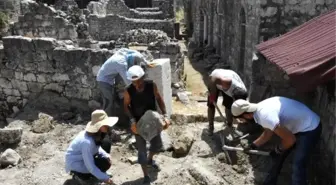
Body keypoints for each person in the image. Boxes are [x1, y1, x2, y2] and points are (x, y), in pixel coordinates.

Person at [231, 96, 322, 185]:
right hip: (299, 124)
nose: (241, 122)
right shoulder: (259, 110)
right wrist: (253, 145)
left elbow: (290, 139)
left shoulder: (265, 116)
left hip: (310, 127)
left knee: (298, 166)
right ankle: (270, 182)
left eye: (240, 119)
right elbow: (268, 132)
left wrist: (278, 149)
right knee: (279, 156)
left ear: (247, 114)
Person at [123, 65, 170, 184]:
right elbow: (126, 107)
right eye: (133, 82)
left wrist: (165, 116)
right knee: (142, 149)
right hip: (138, 123)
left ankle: (150, 160)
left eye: (138, 81)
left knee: (157, 145)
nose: (136, 84)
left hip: (153, 120)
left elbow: (159, 99)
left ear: (143, 77)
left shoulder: (151, 85)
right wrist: (132, 121)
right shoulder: (129, 90)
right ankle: (146, 176)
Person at [65, 110, 119, 184]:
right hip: (76, 163)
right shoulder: (86, 142)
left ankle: (98, 174)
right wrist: (105, 179)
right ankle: (81, 177)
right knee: (103, 163)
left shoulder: (96, 134)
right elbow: (90, 166)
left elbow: (96, 148)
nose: (108, 126)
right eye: (105, 124)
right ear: (98, 126)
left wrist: (106, 155)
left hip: (84, 158)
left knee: (106, 143)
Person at [96, 48, 153, 117]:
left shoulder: (123, 52)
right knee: (109, 101)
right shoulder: (121, 63)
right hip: (104, 81)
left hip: (108, 79)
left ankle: (110, 120)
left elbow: (137, 53)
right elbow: (128, 81)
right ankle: (105, 123)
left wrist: (146, 62)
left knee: (111, 100)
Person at [207, 68, 248, 136]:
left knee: (228, 105)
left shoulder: (243, 92)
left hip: (228, 84)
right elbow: (213, 78)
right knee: (211, 105)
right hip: (214, 82)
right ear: (234, 97)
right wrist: (212, 95)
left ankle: (229, 125)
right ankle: (211, 126)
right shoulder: (226, 81)